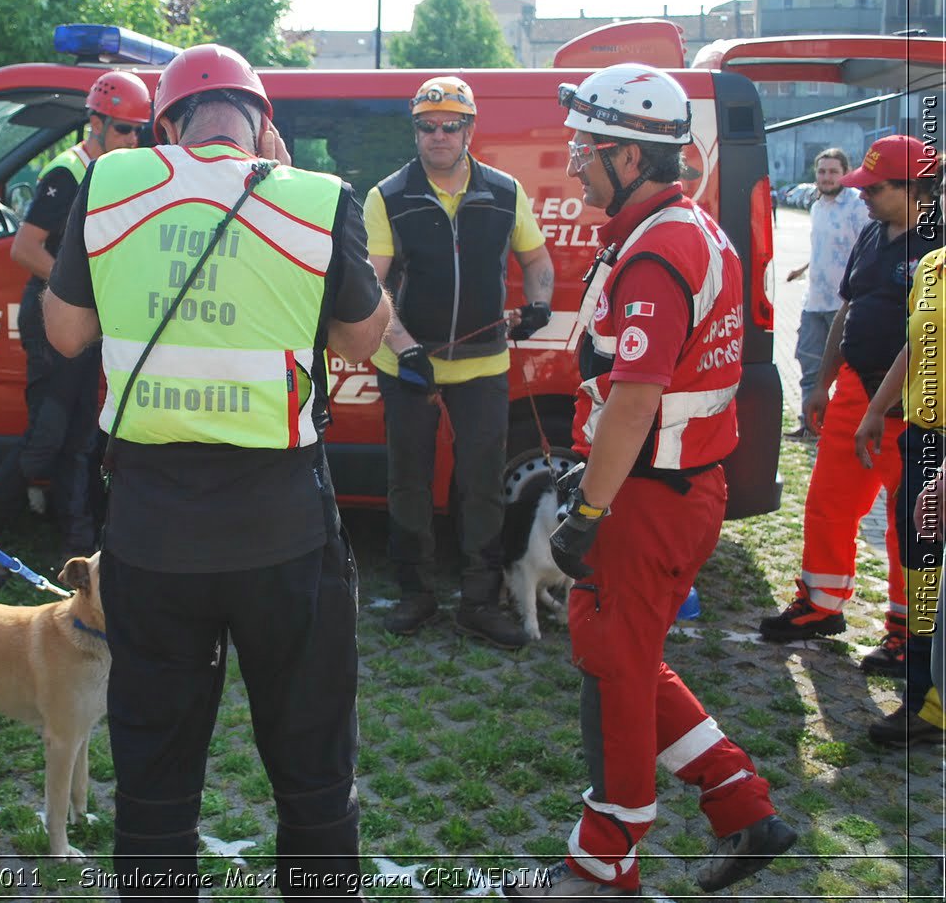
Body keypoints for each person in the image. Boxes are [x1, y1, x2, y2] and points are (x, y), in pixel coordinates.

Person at [42, 44, 389, 899]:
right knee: (311, 769)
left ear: (167, 124)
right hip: (283, 535)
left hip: (153, 538)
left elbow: (64, 333)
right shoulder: (314, 199)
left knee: (156, 777)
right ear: (263, 123)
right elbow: (362, 337)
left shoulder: (112, 184)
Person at [507, 64, 795, 898]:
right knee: (619, 653)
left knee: (618, 668)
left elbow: (634, 399)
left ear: (630, 159)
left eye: (586, 152)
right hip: (671, 488)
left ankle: (606, 862)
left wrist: (587, 510)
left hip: (648, 496)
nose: (572, 168)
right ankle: (743, 805)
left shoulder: (658, 247)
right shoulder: (685, 229)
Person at [365, 75, 554, 647]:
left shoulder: (505, 191)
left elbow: (538, 262)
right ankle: (415, 594)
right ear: (415, 129)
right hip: (408, 366)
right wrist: (405, 348)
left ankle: (479, 600)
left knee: (481, 487)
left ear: (470, 129)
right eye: (427, 126)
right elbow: (373, 289)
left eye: (450, 125)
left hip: (483, 366)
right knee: (409, 485)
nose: (438, 136)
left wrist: (541, 303)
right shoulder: (387, 195)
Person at [759, 135, 937, 676]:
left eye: (874, 188)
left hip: (912, 402)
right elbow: (846, 308)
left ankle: (908, 636)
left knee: (907, 524)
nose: (862, 196)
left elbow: (926, 337)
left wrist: (881, 409)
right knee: (829, 503)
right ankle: (821, 605)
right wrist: (820, 381)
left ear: (912, 190)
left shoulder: (938, 247)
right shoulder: (872, 234)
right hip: (854, 392)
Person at [0, 71, 151, 578]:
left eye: (138, 131)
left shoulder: (114, 172)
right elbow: (24, 248)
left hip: (89, 316)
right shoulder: (67, 172)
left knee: (80, 440)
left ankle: (77, 552)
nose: (132, 140)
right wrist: (81, 289)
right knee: (47, 437)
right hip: (53, 311)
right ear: (94, 123)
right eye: (123, 129)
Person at [851, 137, 945, 747]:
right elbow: (917, 345)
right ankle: (921, 689)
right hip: (920, 435)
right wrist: (876, 411)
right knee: (919, 563)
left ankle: (930, 709)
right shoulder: (935, 267)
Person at [783, 147, 866, 441]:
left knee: (846, 372)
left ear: (845, 173)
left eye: (833, 172)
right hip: (814, 301)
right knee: (809, 367)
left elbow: (864, 251)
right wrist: (803, 268)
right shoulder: (817, 206)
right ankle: (809, 426)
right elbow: (826, 250)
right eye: (822, 171)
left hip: (844, 304)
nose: (826, 177)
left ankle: (843, 431)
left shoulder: (858, 207)